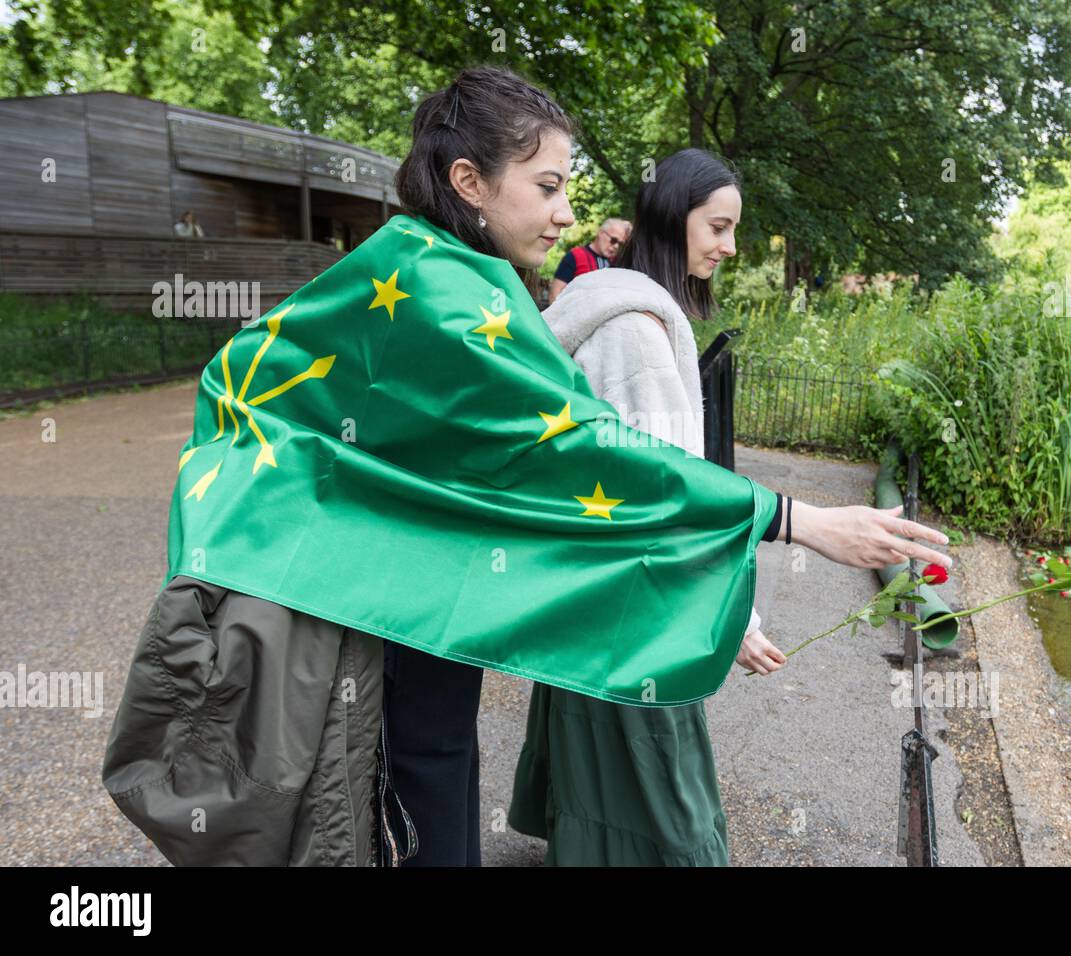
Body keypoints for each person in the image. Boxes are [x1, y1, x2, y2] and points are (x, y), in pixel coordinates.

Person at [102, 64, 953, 868]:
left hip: (378, 581)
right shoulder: (454, 296)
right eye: (547, 187)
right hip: (386, 602)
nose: (567, 213)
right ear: (470, 182)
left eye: (568, 188)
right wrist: (797, 519)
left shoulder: (413, 265)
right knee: (421, 778)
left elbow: (252, 380)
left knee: (395, 780)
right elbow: (584, 450)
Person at [508, 148, 788, 865]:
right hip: (635, 612)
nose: (729, 247)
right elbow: (666, 498)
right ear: (673, 217)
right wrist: (733, 615)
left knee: (603, 762)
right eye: (719, 227)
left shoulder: (610, 308)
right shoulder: (636, 330)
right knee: (670, 791)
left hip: (594, 596)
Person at [548, 217, 629, 302]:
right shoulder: (575, 256)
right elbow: (555, 293)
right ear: (601, 233)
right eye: (613, 240)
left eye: (620, 244)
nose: (616, 246)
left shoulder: (617, 262)